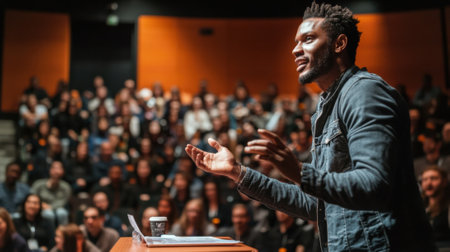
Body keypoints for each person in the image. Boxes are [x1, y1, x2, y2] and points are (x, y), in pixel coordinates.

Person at [185, 2, 435, 251]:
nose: (295, 50)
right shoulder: (324, 109)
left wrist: (300, 173)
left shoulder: (365, 92)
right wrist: (238, 172)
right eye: (296, 42)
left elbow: (374, 186)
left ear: (339, 44)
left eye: (308, 39)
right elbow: (316, 204)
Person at [421, 166, 450, 245]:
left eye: (433, 178)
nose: (428, 183)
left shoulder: (447, 207)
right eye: (425, 179)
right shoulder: (421, 207)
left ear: (444, 182)